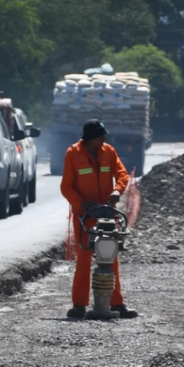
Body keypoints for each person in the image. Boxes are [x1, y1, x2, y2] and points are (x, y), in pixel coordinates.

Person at [60, 120, 139, 319]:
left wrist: (117, 190)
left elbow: (122, 175)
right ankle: (79, 305)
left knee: (110, 255)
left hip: (106, 213)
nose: (104, 139)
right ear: (90, 139)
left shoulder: (108, 151)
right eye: (100, 136)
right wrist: (81, 203)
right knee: (84, 258)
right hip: (84, 215)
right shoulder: (73, 154)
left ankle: (116, 303)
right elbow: (66, 187)